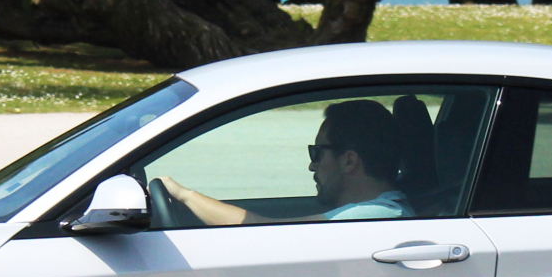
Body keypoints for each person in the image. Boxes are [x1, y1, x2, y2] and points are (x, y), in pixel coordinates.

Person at [158, 99, 413, 225]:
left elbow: (264, 232)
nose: (312, 166)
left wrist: (185, 195)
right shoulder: (380, 211)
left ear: (348, 161)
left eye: (317, 153)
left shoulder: (376, 216)